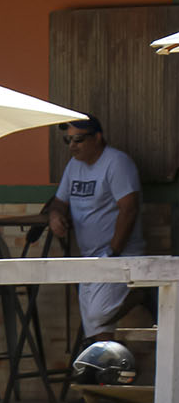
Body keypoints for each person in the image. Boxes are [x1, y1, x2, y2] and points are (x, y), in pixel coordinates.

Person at [44, 115, 146, 343]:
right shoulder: (73, 166)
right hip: (89, 257)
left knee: (99, 314)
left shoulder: (117, 162)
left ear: (97, 138)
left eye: (78, 139)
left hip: (118, 255)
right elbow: (59, 200)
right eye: (68, 140)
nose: (72, 146)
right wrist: (55, 214)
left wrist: (114, 252)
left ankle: (138, 294)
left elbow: (129, 209)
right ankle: (104, 371)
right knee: (95, 328)